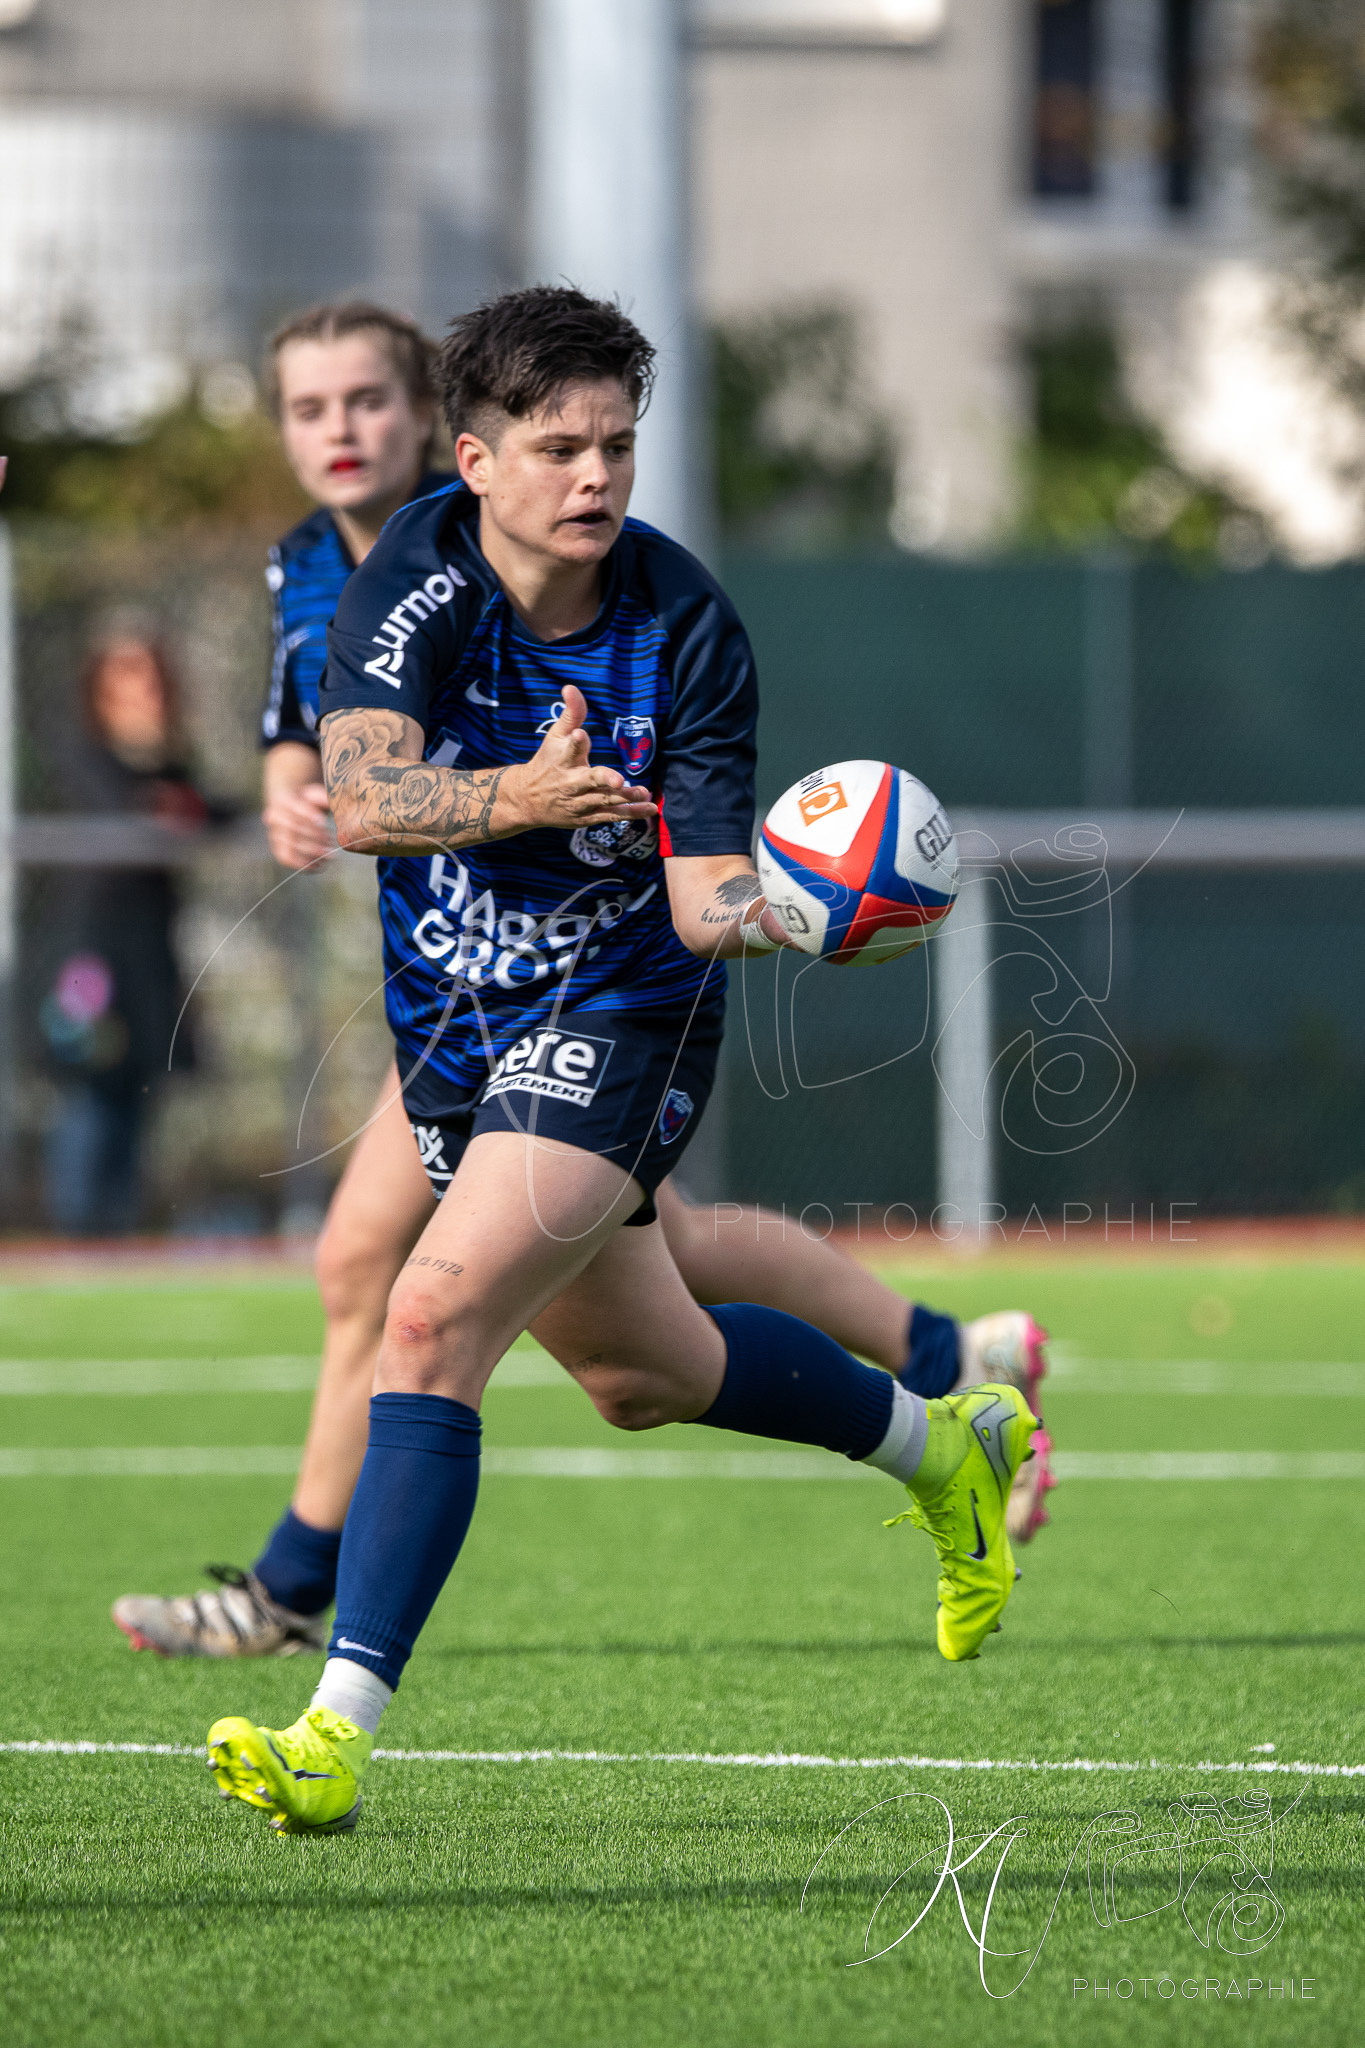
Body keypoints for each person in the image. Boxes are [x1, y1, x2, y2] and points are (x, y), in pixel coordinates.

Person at [202, 287, 1044, 1837]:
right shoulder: (409, 581)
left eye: (617, 445)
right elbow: (367, 798)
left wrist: (794, 913)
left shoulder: (687, 626)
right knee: (643, 1374)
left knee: (430, 1308)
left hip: (622, 1021)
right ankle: (944, 1447)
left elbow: (697, 896)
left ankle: (333, 1728)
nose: (596, 477)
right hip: (453, 1025)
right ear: (472, 457)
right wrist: (519, 797)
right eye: (559, 447)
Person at [39, 621, 218, 1233]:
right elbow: (138, 809)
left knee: (141, 1092)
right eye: (127, 677)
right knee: (93, 1093)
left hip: (149, 959)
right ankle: (77, 1230)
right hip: (90, 960)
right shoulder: (86, 752)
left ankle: (117, 1230)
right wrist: (170, 806)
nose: (145, 691)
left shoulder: (171, 759)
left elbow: (205, 809)